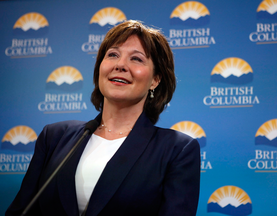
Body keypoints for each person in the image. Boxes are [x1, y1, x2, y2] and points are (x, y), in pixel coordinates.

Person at [6, 20, 200, 216]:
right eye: (113, 55)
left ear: (155, 80)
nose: (120, 65)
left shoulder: (177, 150)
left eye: (137, 59)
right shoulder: (54, 137)